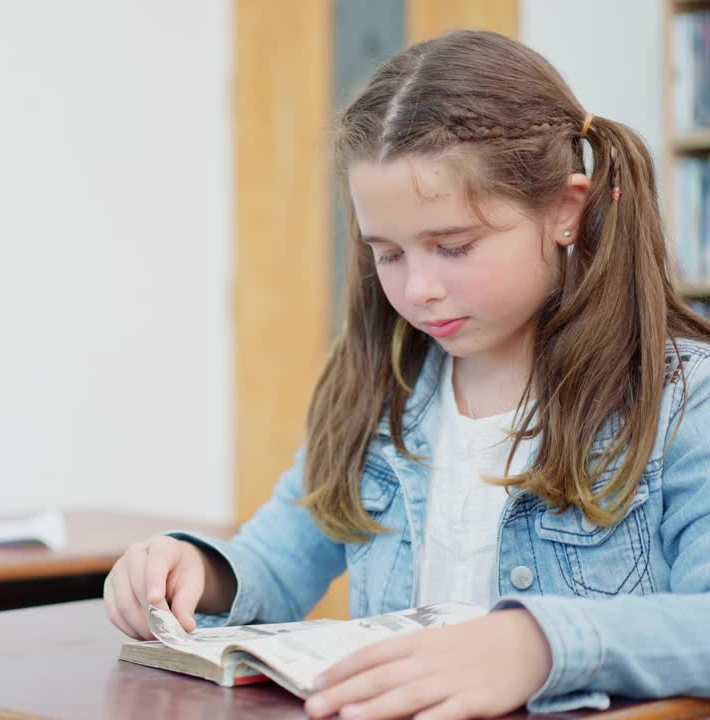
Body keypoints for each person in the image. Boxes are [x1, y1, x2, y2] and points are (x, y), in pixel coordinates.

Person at [104, 30, 710, 719]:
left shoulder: (686, 403)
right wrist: (196, 572)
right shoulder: (381, 395)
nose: (417, 287)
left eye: (453, 246)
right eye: (387, 254)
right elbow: (274, 564)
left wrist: (537, 645)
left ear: (566, 211)